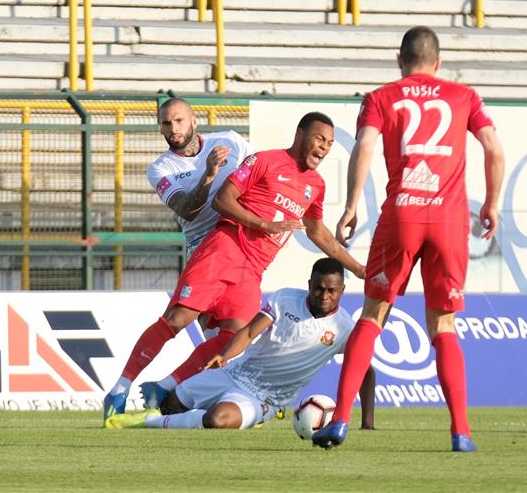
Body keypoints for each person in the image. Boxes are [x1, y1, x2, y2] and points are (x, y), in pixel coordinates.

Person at [312, 26, 505, 452]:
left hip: (403, 214)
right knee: (443, 325)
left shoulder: (382, 97)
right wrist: (491, 203)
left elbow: (363, 147)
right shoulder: (464, 96)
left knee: (373, 314)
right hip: (450, 219)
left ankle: (341, 421)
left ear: (400, 62)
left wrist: (349, 206)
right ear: (438, 63)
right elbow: (493, 147)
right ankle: (461, 433)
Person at [102, 112, 366, 422]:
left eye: (330, 144)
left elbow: (318, 232)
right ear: (301, 135)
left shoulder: (315, 185)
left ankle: (163, 387)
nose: (324, 148)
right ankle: (120, 388)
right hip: (223, 250)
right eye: (320, 139)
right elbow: (223, 200)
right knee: (177, 319)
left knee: (235, 338)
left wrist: (360, 269)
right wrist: (265, 224)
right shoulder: (265, 161)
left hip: (252, 270)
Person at [104, 258, 376, 432]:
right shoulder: (285, 299)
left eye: (331, 291)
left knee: (218, 420)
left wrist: (367, 422)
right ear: (310, 284)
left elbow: (365, 370)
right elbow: (247, 333)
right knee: (172, 403)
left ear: (341, 291)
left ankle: (148, 422)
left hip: (265, 398)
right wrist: (224, 355)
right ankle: (170, 416)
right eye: (319, 288)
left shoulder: (344, 329)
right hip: (235, 373)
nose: (324, 296)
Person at [147, 97, 254, 261]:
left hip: (241, 235)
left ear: (194, 122)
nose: (174, 128)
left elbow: (259, 173)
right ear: (161, 128)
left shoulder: (230, 140)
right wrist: (209, 174)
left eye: (179, 120)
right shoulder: (160, 169)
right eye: (167, 123)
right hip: (202, 242)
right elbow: (186, 211)